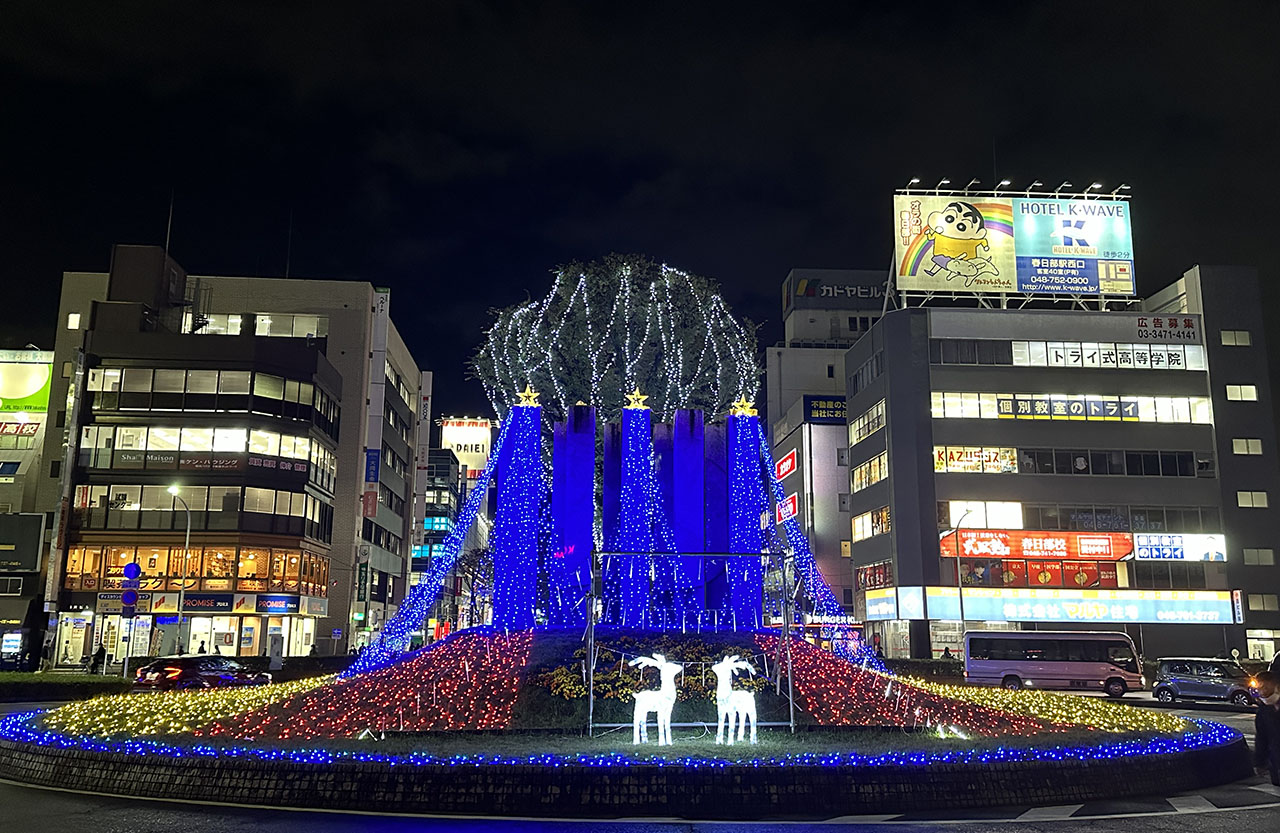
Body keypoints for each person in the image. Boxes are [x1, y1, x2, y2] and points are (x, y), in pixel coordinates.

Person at [1254, 671, 1280, 785]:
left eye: (1265, 688)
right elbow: (1261, 738)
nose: (1263, 693)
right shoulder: (1263, 712)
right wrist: (1260, 762)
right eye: (1260, 689)